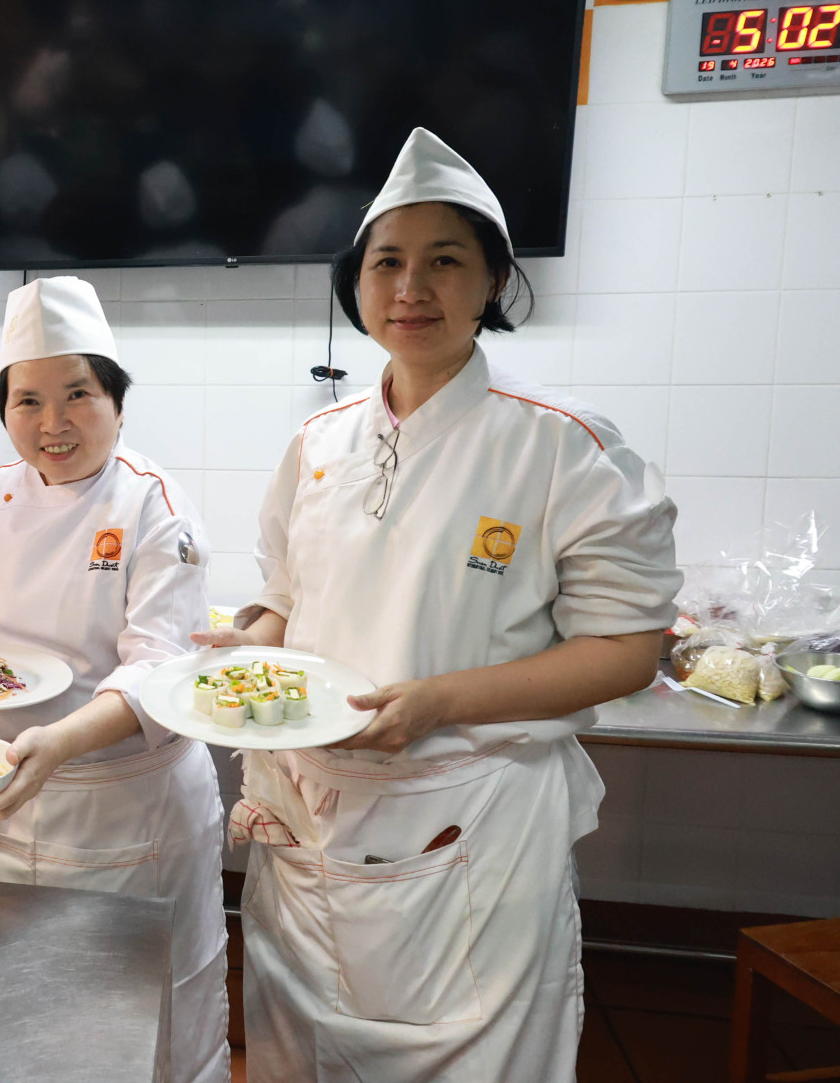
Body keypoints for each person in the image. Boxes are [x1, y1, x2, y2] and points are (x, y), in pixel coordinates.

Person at [197, 128, 680, 1081]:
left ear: (493, 280)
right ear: (358, 283)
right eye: (387, 262)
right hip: (311, 819)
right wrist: (246, 648)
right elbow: (285, 598)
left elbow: (628, 649)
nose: (411, 287)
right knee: (303, 1052)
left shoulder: (562, 446)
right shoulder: (320, 441)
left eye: (445, 261)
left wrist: (438, 702)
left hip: (472, 827)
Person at [0, 276, 230, 1083]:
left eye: (77, 395)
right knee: (17, 1020)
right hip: (6, 803)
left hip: (123, 813)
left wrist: (56, 743)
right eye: (28, 401)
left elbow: (159, 666)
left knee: (137, 1026)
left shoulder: (154, 506)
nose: (52, 423)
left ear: (117, 401)